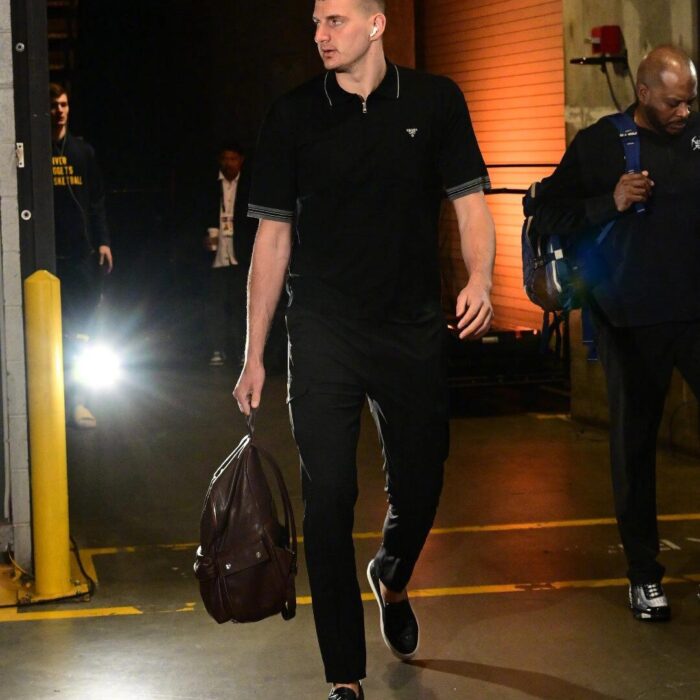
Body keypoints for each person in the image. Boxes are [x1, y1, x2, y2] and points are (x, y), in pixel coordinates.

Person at [232, 1, 495, 697]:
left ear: (376, 25)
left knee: (422, 479)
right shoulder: (292, 115)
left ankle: (392, 573)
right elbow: (272, 241)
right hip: (324, 329)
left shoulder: (436, 102)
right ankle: (344, 677)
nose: (320, 35)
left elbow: (470, 203)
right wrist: (255, 353)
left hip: (410, 327)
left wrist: (481, 278)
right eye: (317, 23)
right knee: (328, 499)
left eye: (336, 21)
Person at [536, 45, 700, 622]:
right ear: (644, 92)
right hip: (629, 320)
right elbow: (546, 212)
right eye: (674, 102)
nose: (684, 112)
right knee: (635, 449)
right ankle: (644, 576)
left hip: (694, 315)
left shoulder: (697, 135)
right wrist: (609, 201)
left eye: (691, 101)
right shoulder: (601, 144)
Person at [50, 82, 113, 429]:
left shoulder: (82, 152)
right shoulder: (37, 150)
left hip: (81, 254)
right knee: (52, 332)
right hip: (49, 255)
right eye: (53, 105)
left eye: (63, 105)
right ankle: (53, 399)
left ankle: (79, 400)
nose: (59, 111)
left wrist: (103, 241)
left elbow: (97, 199)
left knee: (83, 330)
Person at [202, 142, 256, 367]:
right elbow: (199, 213)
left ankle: (242, 351)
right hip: (216, 253)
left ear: (241, 161)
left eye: (233, 159)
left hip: (240, 253)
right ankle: (217, 348)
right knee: (215, 304)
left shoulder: (250, 186)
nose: (228, 164)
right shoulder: (210, 185)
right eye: (225, 159)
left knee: (241, 305)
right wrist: (206, 236)